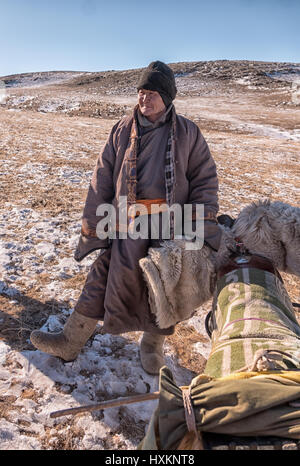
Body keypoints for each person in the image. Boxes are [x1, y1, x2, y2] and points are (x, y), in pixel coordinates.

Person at [30, 61, 221, 374]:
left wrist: (198, 226)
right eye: (141, 93)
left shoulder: (188, 133)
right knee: (102, 276)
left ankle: (152, 346)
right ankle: (70, 340)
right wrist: (94, 223)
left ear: (168, 97)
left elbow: (204, 180)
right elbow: (102, 176)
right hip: (126, 225)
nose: (145, 99)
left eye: (152, 93)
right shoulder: (122, 128)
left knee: (164, 286)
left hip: (170, 226)